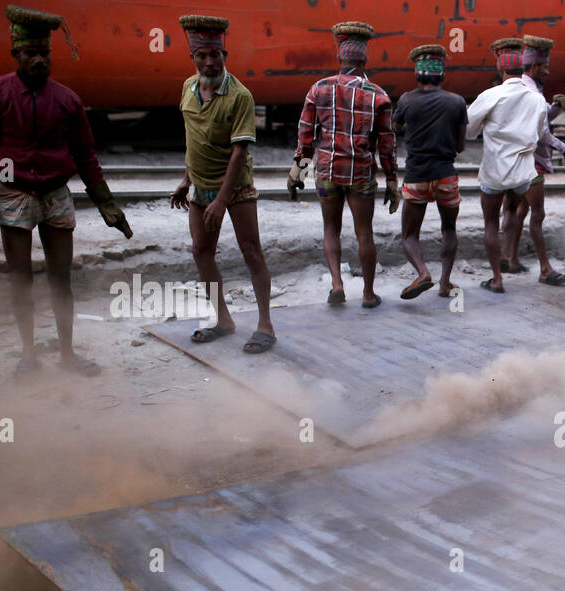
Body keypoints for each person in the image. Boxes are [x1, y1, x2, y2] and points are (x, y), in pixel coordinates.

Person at [0, 4, 132, 379]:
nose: (40, 60)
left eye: (45, 53)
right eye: (31, 54)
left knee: (61, 278)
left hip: (57, 193)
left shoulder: (68, 100)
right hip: (13, 194)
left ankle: (67, 354)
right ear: (16, 55)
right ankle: (28, 355)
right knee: (20, 278)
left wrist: (107, 205)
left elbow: (85, 153)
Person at [170, 14, 276, 354]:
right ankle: (224, 319)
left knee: (251, 251)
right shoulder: (188, 88)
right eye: (201, 55)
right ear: (193, 59)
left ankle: (265, 325)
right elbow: (193, 139)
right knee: (201, 251)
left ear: (224, 57)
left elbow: (239, 152)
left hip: (236, 187)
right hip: (200, 188)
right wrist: (186, 180)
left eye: (215, 55)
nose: (209, 61)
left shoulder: (240, 95)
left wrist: (222, 199)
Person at [287, 21, 396, 309]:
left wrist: (297, 171)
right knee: (365, 233)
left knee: (330, 230)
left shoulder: (318, 89)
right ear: (365, 58)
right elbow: (387, 144)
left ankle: (337, 283)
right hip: (360, 172)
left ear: (340, 55)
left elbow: (306, 137)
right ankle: (369, 294)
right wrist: (393, 182)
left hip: (326, 171)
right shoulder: (379, 95)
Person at [465, 38, 550, 294]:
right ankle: (516, 259)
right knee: (513, 212)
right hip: (523, 173)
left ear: (501, 70)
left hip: (495, 173)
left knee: (491, 223)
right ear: (522, 69)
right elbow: (537, 133)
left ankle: (497, 279)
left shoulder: (491, 95)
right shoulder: (536, 99)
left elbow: (469, 131)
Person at [498, 35, 565, 286]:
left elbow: (540, 118)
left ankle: (509, 259)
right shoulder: (531, 93)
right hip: (529, 162)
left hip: (511, 161)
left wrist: (554, 108)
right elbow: (541, 132)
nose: (548, 71)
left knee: (517, 210)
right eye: (545, 67)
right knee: (537, 214)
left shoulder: (521, 87)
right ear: (533, 67)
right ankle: (545, 269)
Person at [392, 44, 467, 300]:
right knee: (449, 230)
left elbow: (394, 126)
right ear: (441, 75)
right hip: (446, 175)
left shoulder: (406, 100)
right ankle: (445, 284)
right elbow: (459, 146)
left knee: (409, 235)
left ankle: (423, 273)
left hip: (416, 177)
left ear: (417, 75)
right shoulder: (456, 102)